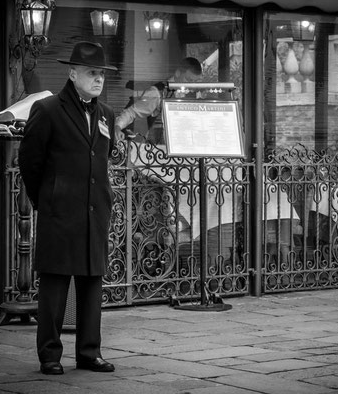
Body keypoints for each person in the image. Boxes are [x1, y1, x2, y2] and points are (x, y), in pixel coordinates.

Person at [18, 41, 117, 375]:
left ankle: (89, 352)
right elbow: (30, 163)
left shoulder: (107, 114)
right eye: (92, 73)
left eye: (102, 74)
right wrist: (46, 199)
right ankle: (50, 354)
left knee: (91, 285)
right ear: (73, 74)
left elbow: (102, 159)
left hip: (94, 212)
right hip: (60, 211)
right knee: (55, 286)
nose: (98, 79)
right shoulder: (47, 110)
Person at [114, 57, 202, 145]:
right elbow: (131, 113)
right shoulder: (157, 92)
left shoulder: (191, 94)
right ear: (178, 73)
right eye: (189, 80)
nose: (191, 85)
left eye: (195, 82)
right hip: (156, 150)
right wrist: (117, 127)